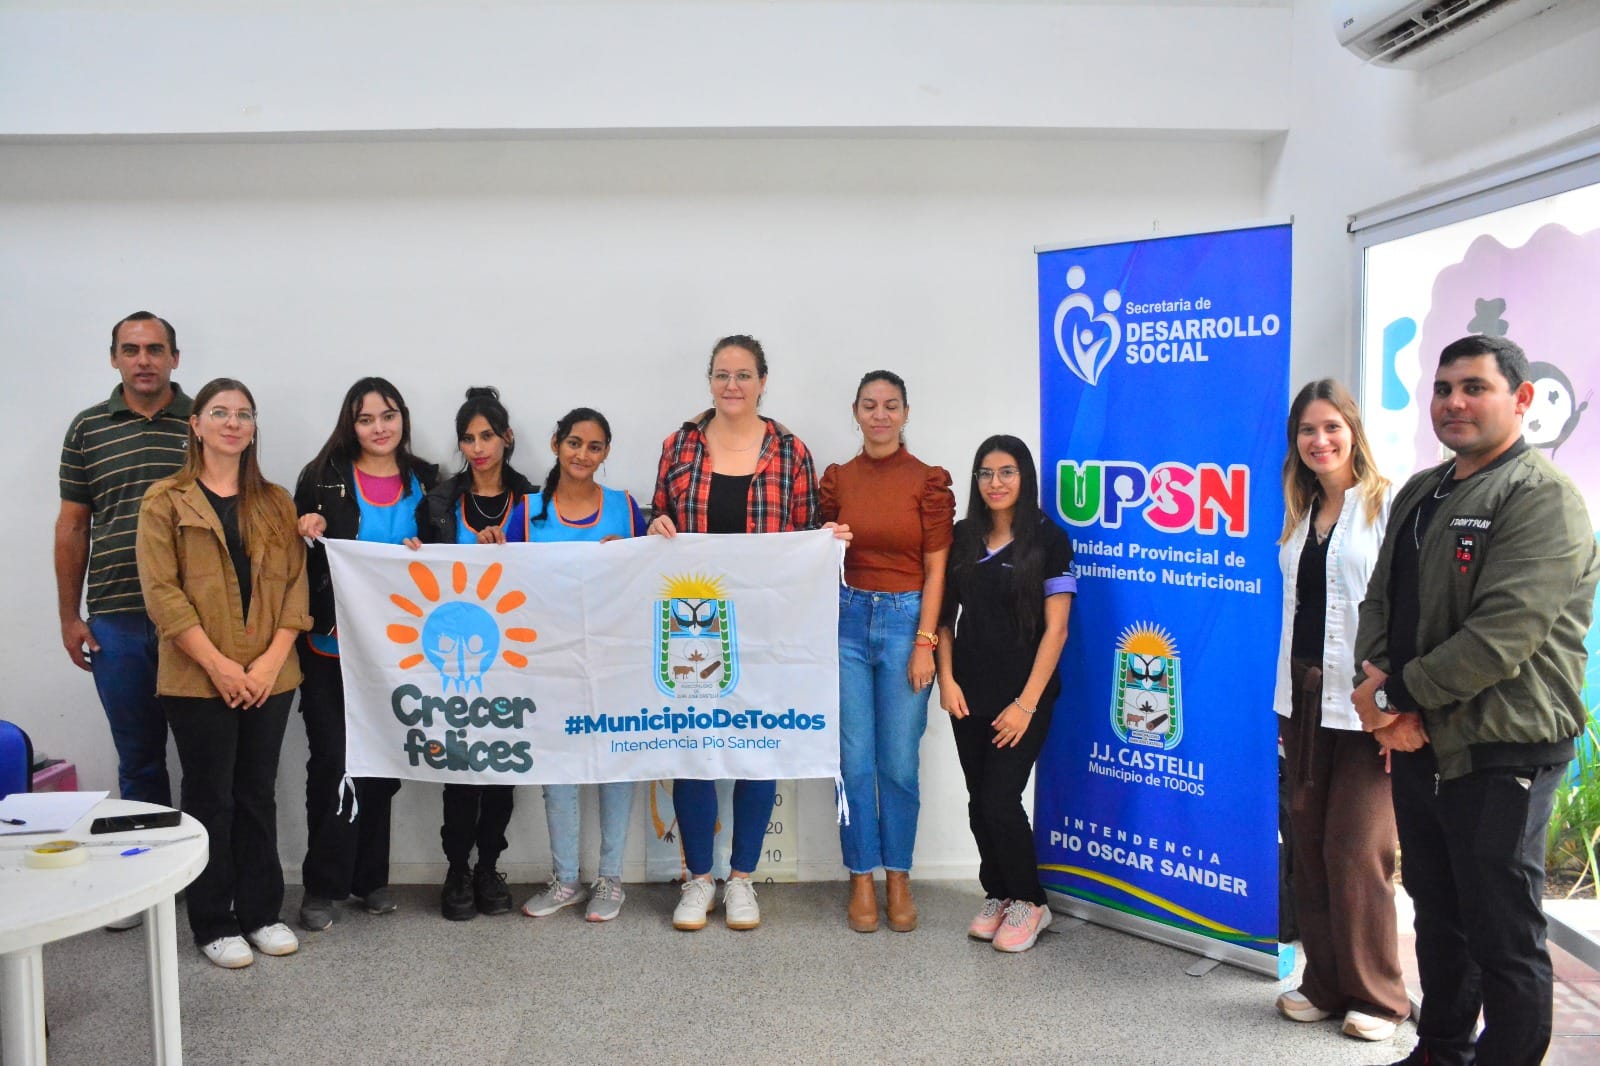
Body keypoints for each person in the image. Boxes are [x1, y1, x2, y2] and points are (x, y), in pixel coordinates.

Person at [1352, 335, 1599, 1066]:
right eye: (1444, 388)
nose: (1454, 402)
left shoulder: (1542, 498)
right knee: (1439, 916)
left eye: (1474, 388)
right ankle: (1441, 1050)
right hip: (1420, 738)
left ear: (1521, 399)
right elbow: (1380, 599)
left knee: (1502, 931)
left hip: (1502, 746)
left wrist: (1392, 695)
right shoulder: (1422, 490)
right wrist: (1384, 696)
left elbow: (1501, 637)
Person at [648, 334, 845, 931]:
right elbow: (660, 515)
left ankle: (741, 880)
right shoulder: (679, 445)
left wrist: (824, 543)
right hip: (695, 625)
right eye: (722, 374)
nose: (731, 385)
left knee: (759, 748)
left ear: (763, 381)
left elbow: (805, 532)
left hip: (768, 628)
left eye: (743, 374)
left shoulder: (790, 450)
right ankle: (698, 879)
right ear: (710, 380)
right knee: (694, 750)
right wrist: (656, 526)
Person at [136, 377, 310, 968]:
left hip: (270, 677)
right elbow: (163, 596)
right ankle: (213, 921)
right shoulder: (165, 500)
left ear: (254, 428)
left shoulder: (276, 501)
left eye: (243, 414)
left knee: (257, 794)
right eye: (219, 412)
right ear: (196, 424)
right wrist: (219, 666)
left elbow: (295, 589)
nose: (232, 423)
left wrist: (267, 663)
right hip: (196, 679)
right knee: (210, 798)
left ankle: (261, 913)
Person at [1271, 380, 1407, 1042]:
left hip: (1365, 705)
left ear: (1354, 432)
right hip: (1301, 699)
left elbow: (1408, 610)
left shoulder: (1386, 505)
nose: (1319, 440)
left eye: (1331, 427)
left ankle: (1378, 997)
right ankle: (1323, 984)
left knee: (1358, 849)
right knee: (1309, 844)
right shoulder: (1300, 512)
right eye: (1307, 430)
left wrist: (1396, 706)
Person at [293, 377, 438, 933]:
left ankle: (370, 879)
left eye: (388, 415)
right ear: (349, 425)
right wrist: (306, 527)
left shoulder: (427, 479)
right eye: (366, 418)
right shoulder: (321, 477)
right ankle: (322, 886)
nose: (379, 428)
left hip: (401, 652)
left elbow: (446, 555)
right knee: (332, 761)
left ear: (403, 418)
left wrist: (430, 548)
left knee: (383, 761)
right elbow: (293, 556)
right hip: (330, 646)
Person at [819, 370, 953, 933]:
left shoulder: (927, 481)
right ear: (856, 412)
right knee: (853, 761)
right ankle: (860, 876)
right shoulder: (838, 480)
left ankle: (898, 875)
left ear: (905, 413)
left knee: (898, 762)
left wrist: (925, 642)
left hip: (906, 623)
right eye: (870, 405)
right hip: (846, 621)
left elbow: (937, 569)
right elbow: (818, 558)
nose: (880, 415)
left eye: (890, 405)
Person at [935, 436, 1074, 954]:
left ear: (1025, 477)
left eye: (1007, 472)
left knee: (1000, 799)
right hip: (968, 693)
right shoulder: (963, 536)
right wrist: (947, 680)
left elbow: (1057, 630)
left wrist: (1026, 704)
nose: (995, 483)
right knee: (979, 801)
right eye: (986, 473)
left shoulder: (1048, 539)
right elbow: (944, 618)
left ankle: (1031, 901)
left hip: (1024, 696)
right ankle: (998, 891)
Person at [56, 313, 191, 824]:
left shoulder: (205, 422)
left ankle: (208, 868)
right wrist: (70, 617)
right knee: (139, 761)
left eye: (155, 349)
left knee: (208, 759)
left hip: (195, 615)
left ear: (174, 358)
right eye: (131, 350)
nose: (143, 360)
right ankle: (149, 862)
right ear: (114, 358)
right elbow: (73, 526)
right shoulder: (87, 429)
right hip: (117, 617)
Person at [519, 407, 649, 923]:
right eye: (574, 443)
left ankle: (610, 878)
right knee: (558, 767)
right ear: (556, 444)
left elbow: (648, 577)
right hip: (550, 661)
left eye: (594, 447)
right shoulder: (527, 511)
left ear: (606, 453)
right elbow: (504, 580)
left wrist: (635, 550)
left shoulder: (625, 507)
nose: (582, 454)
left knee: (616, 760)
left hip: (615, 659)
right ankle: (565, 879)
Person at [416, 386, 536, 921]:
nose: (479, 447)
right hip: (453, 664)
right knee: (460, 771)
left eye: (487, 436)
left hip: (511, 658)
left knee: (502, 772)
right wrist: (414, 554)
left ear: (507, 438)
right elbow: (419, 578)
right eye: (468, 438)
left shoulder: (533, 501)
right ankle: (457, 869)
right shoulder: (439, 502)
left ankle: (489, 866)